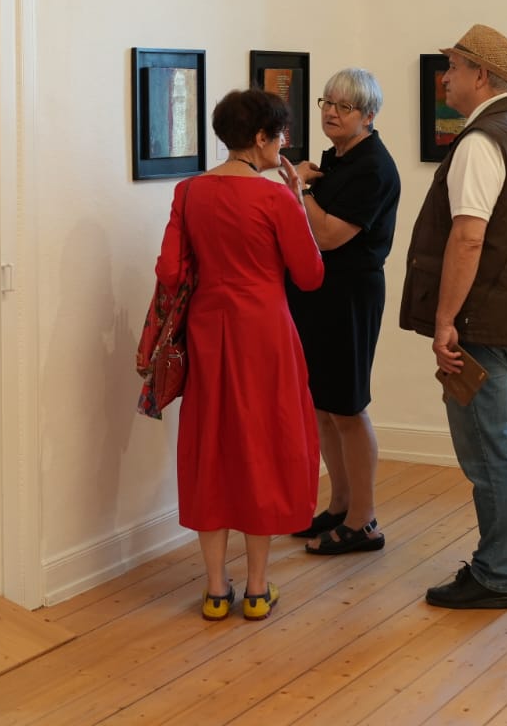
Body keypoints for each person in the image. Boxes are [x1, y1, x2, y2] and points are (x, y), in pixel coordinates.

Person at [400, 24, 507, 610]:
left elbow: (468, 238)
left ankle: (495, 573)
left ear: (482, 76)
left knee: (488, 450)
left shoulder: (481, 141)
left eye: (454, 67)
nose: (446, 77)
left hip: (481, 322)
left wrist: (446, 320)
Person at [156, 88, 323, 621]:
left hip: (209, 330)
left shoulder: (189, 192)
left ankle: (214, 589)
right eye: (279, 135)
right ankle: (256, 588)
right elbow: (310, 275)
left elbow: (169, 271)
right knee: (263, 446)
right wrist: (297, 200)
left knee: (211, 446)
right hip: (265, 333)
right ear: (259, 137)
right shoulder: (275, 199)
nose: (283, 145)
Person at [287, 68, 401, 555]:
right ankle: (339, 506)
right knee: (324, 406)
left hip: (350, 296)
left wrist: (300, 189)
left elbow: (329, 235)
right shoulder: (336, 159)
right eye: (327, 103)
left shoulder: (372, 167)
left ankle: (364, 522)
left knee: (349, 408)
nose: (331, 113)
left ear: (368, 115)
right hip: (319, 294)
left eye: (344, 107)